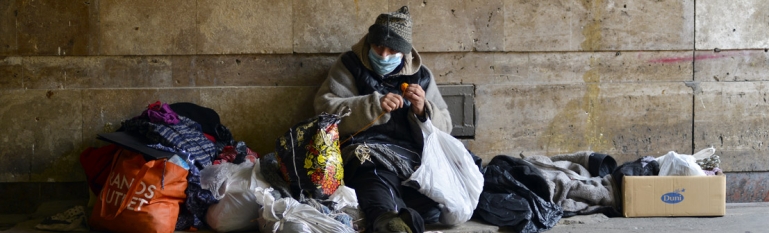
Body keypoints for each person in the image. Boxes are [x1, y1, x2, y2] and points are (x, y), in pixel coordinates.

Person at [314, 5, 453, 233]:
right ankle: (387, 220)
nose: (384, 55)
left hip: (410, 155)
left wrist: (423, 110)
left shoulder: (422, 75)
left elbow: (446, 125)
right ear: (370, 43)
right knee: (374, 174)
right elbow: (325, 111)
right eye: (378, 47)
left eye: (391, 51)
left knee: (434, 187)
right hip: (367, 151)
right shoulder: (349, 65)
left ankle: (398, 217)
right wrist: (372, 105)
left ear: (404, 52)